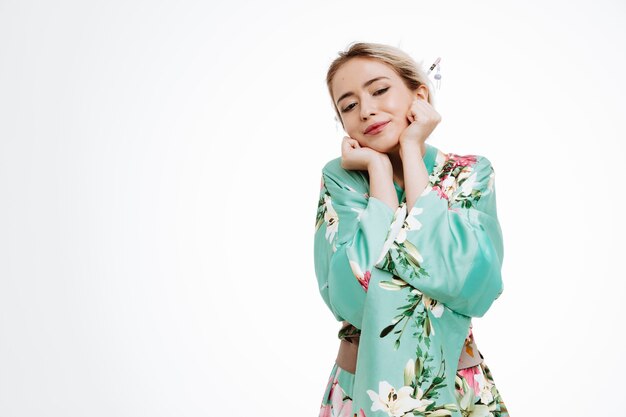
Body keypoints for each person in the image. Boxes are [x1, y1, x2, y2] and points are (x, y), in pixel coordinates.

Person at [314, 42, 510, 417]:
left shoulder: (470, 172)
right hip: (363, 391)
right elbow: (356, 294)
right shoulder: (341, 178)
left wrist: (411, 150)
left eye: (380, 90)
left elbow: (471, 286)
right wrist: (379, 174)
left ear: (419, 95)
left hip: (457, 387)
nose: (367, 110)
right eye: (349, 105)